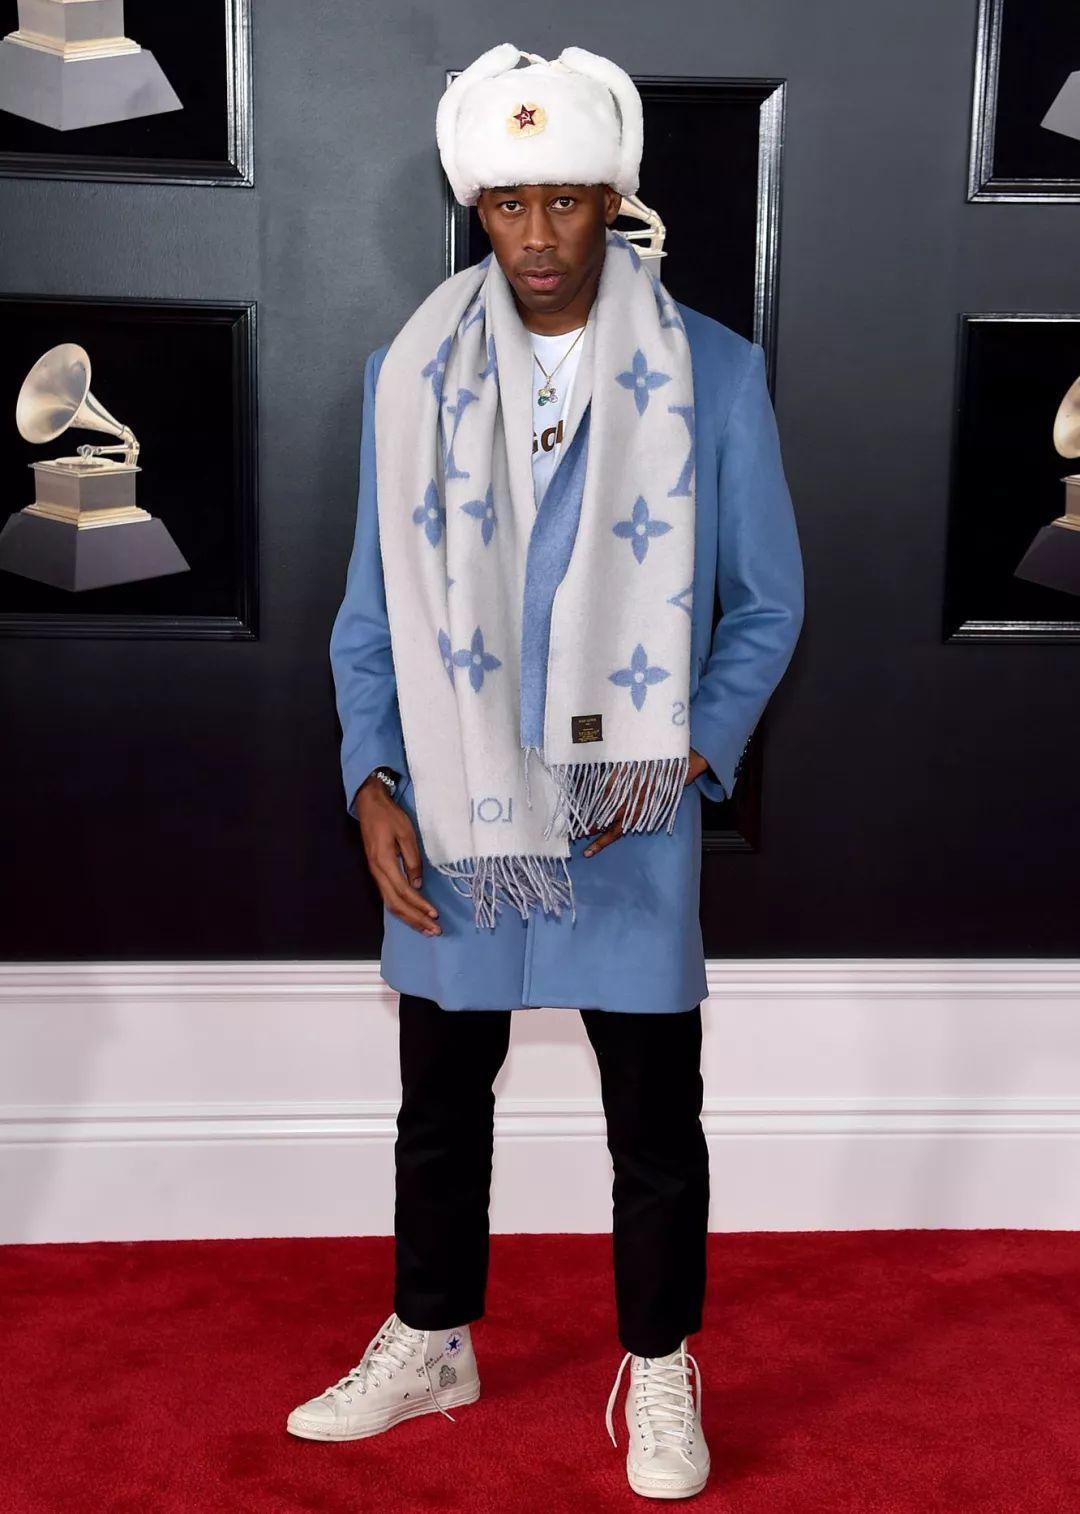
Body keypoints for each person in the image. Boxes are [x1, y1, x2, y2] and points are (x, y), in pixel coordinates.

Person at [290, 42, 805, 1501]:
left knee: (656, 1122)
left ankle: (660, 1364)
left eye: (565, 202)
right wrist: (371, 780)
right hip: (456, 813)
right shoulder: (407, 375)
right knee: (439, 1107)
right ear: (478, 207)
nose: (535, 237)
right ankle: (432, 1336)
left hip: (624, 817)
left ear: (612, 202)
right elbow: (369, 614)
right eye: (508, 205)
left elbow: (768, 603)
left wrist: (687, 747)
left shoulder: (714, 373)